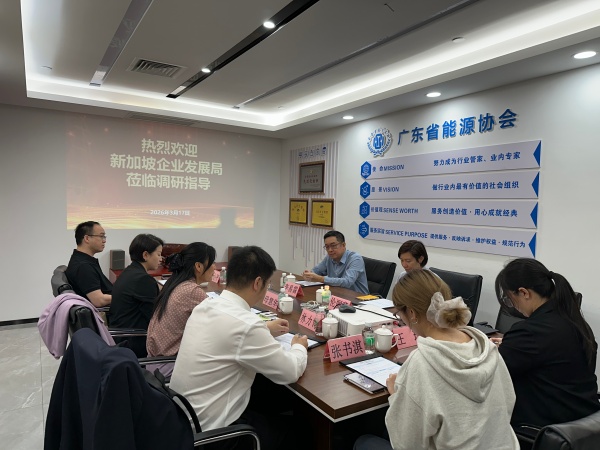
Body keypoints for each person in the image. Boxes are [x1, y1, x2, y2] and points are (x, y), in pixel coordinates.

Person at [356, 269, 518, 450]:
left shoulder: (422, 363)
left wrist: (396, 395)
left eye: (399, 315)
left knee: (364, 442)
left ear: (412, 313)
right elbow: (509, 402)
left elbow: (405, 444)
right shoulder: (487, 348)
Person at [170, 246, 309, 450]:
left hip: (183, 419)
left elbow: (230, 333)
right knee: (300, 432)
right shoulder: (247, 325)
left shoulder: (205, 306)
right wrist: (298, 347)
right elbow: (290, 371)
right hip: (214, 435)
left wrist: (263, 329)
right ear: (258, 283)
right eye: (268, 284)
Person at [493, 258, 599, 428]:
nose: (512, 306)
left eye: (510, 299)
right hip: (583, 423)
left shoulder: (529, 331)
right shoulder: (575, 321)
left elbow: (490, 374)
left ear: (524, 293)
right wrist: (512, 344)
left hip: (544, 428)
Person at [146, 242, 216, 375]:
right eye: (212, 262)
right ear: (198, 266)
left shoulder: (175, 282)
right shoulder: (191, 291)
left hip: (154, 362)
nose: (214, 267)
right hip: (168, 367)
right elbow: (220, 318)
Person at [108, 234, 164, 357]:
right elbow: (154, 318)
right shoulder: (143, 280)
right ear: (145, 255)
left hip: (120, 336)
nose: (161, 259)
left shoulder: (129, 272)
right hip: (134, 341)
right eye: (159, 254)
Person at [302, 230, 369, 294]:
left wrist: (321, 279)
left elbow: (347, 282)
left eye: (333, 246)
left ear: (343, 245)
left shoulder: (355, 259)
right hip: (337, 295)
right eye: (327, 247)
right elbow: (317, 270)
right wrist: (309, 275)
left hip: (358, 298)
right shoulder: (329, 257)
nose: (330, 250)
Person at [65, 221, 112, 307]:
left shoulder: (82, 260)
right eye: (101, 236)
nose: (104, 241)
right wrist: (125, 297)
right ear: (87, 238)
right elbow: (99, 300)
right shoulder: (83, 266)